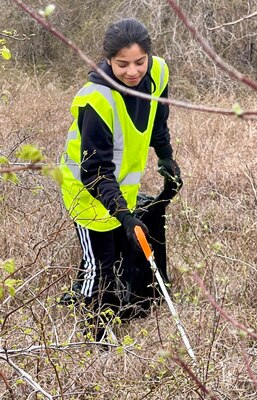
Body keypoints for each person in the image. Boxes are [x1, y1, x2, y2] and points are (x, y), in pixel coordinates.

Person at [59, 18, 182, 340]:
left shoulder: (158, 72)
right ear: (108, 59)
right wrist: (124, 216)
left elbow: (158, 118)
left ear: (149, 57)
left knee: (111, 254)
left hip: (120, 189)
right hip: (87, 192)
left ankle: (81, 292)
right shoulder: (96, 99)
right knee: (101, 265)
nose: (132, 72)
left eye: (139, 62)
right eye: (122, 64)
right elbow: (95, 171)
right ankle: (92, 331)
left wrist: (166, 155)